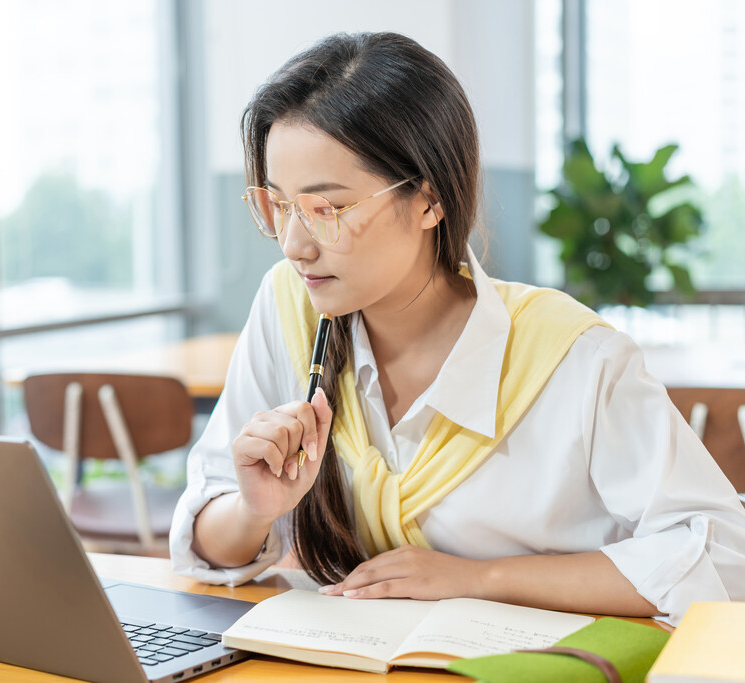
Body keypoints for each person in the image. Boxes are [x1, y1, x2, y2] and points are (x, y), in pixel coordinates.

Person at [168, 31, 745, 625]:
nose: (294, 246)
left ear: (429, 198)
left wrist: (479, 580)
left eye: (328, 209)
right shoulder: (290, 309)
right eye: (281, 206)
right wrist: (254, 510)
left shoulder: (576, 357)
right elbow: (205, 545)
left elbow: (723, 557)